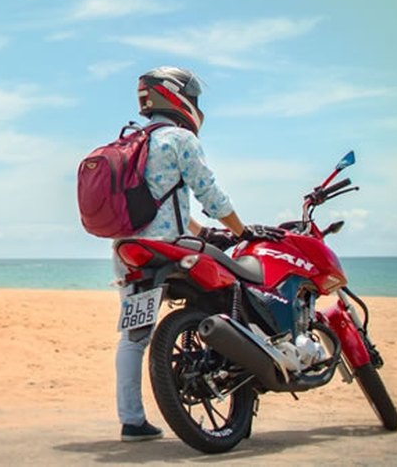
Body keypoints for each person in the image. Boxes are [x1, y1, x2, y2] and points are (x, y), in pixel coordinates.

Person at [115, 66, 283, 442]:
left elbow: (159, 201)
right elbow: (208, 193)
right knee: (228, 303)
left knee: (133, 339)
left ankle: (131, 420)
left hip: (130, 250)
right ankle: (240, 387)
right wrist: (241, 230)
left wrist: (201, 231)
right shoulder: (178, 138)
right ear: (178, 96)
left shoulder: (130, 141)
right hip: (171, 250)